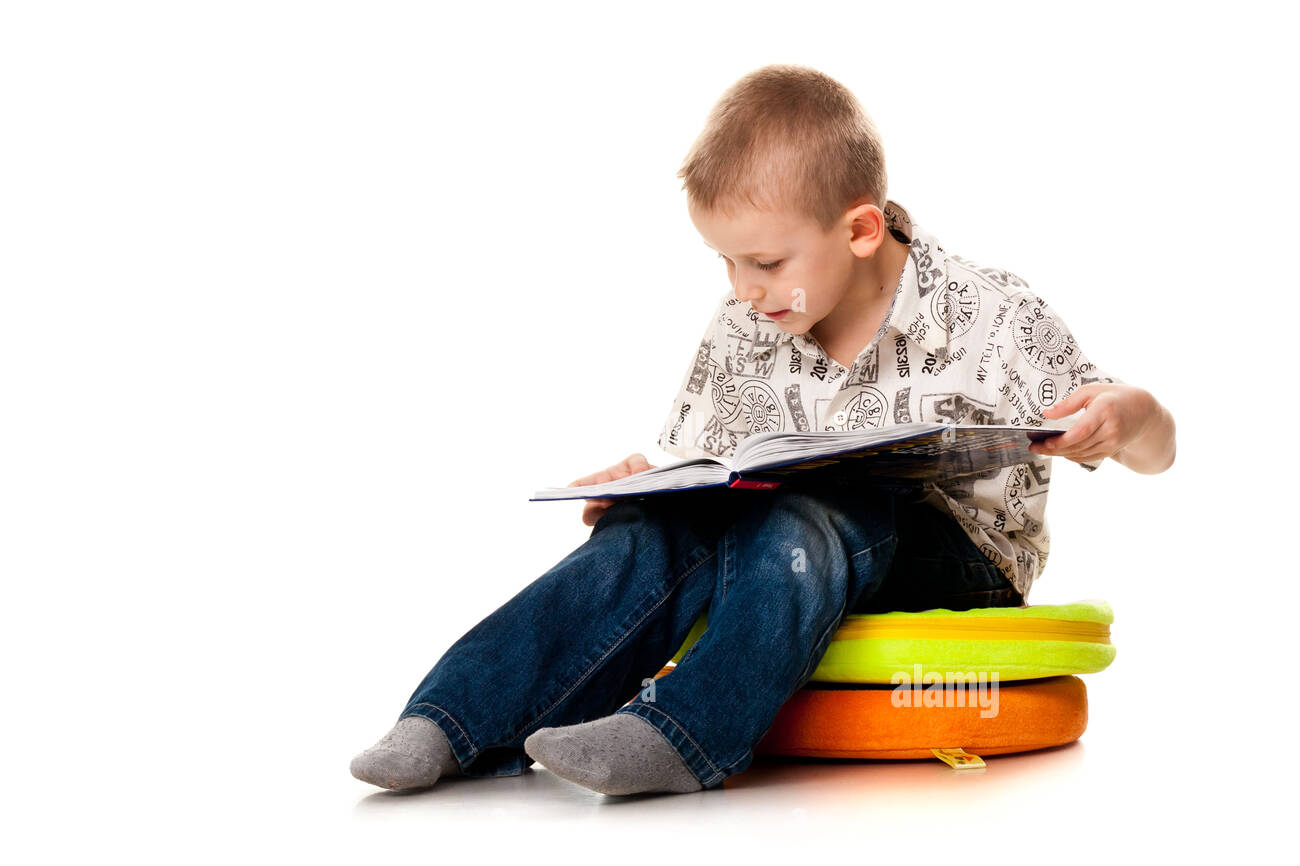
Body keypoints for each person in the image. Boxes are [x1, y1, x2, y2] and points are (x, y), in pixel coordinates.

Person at [350, 64, 1176, 797]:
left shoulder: (992, 313)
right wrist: (657, 485)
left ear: (860, 231)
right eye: (727, 263)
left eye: (767, 264)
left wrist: (1125, 416)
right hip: (786, 545)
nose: (745, 290)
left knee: (811, 509)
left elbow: (1157, 449)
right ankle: (454, 718)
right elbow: (724, 468)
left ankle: (684, 733)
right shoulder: (750, 321)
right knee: (658, 521)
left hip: (955, 559)